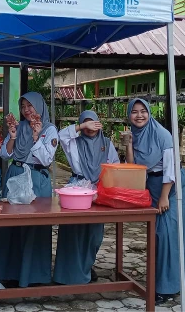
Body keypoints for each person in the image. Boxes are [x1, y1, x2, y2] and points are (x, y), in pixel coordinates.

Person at [125, 98, 185, 305]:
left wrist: (164, 196)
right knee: (157, 237)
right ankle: (161, 281)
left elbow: (171, 168)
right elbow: (133, 166)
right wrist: (128, 144)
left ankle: (169, 288)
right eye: (134, 112)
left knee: (168, 236)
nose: (139, 115)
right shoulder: (135, 135)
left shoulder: (162, 134)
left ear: (149, 112)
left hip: (170, 187)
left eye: (143, 111)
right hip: (152, 186)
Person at [0, 92, 58, 288]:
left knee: (34, 227)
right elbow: (5, 154)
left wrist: (37, 135)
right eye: (23, 106)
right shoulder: (18, 127)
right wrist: (12, 136)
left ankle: (34, 275)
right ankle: (9, 273)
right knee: (11, 226)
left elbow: (46, 159)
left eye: (31, 105)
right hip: (15, 175)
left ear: (40, 106)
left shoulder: (50, 129)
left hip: (37, 179)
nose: (27, 110)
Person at [53, 110, 120, 285]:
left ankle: (86, 266)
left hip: (99, 189)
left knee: (94, 234)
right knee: (73, 231)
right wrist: (82, 126)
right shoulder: (74, 143)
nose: (91, 127)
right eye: (86, 123)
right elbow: (60, 135)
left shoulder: (106, 143)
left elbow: (115, 166)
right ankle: (66, 273)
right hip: (77, 188)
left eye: (93, 122)